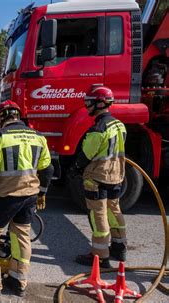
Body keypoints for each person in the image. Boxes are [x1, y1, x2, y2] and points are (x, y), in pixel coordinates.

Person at [0, 100, 54, 297]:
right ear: (18, 115)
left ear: (1, 117)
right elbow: (48, 169)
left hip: (4, 197)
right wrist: (42, 192)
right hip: (29, 197)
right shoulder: (38, 137)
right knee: (21, 235)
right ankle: (18, 281)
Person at [74, 86, 127, 268]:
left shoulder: (98, 128)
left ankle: (100, 255)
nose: (87, 106)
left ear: (100, 103)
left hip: (97, 177)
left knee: (99, 215)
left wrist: (76, 168)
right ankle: (119, 248)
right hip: (116, 176)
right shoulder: (119, 125)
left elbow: (86, 155)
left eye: (89, 103)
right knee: (114, 210)